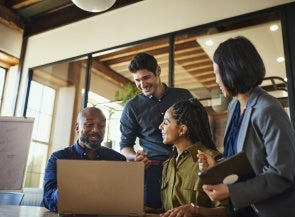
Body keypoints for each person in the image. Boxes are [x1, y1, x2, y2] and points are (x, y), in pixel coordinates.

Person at [197, 36, 295, 217]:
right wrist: (215, 166)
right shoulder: (234, 105)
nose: (216, 80)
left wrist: (232, 191)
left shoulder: (269, 109)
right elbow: (245, 158)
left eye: (217, 73)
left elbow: (281, 174)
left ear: (233, 70)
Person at [119, 52, 193, 209]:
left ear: (158, 71)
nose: (142, 84)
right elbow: (124, 146)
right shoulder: (132, 107)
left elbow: (198, 130)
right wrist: (135, 157)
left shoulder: (183, 96)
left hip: (185, 170)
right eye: (137, 80)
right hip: (152, 172)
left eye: (146, 78)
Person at [43, 107, 126, 212]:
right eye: (89, 125)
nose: (96, 130)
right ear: (77, 127)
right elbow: (48, 199)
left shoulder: (117, 160)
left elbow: (124, 197)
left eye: (101, 125)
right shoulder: (58, 158)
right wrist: (68, 188)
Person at [158, 98, 228, 217]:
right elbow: (170, 210)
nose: (160, 127)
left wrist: (195, 210)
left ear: (182, 130)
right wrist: (146, 210)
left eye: (165, 122)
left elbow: (225, 211)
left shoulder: (211, 160)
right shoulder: (168, 165)